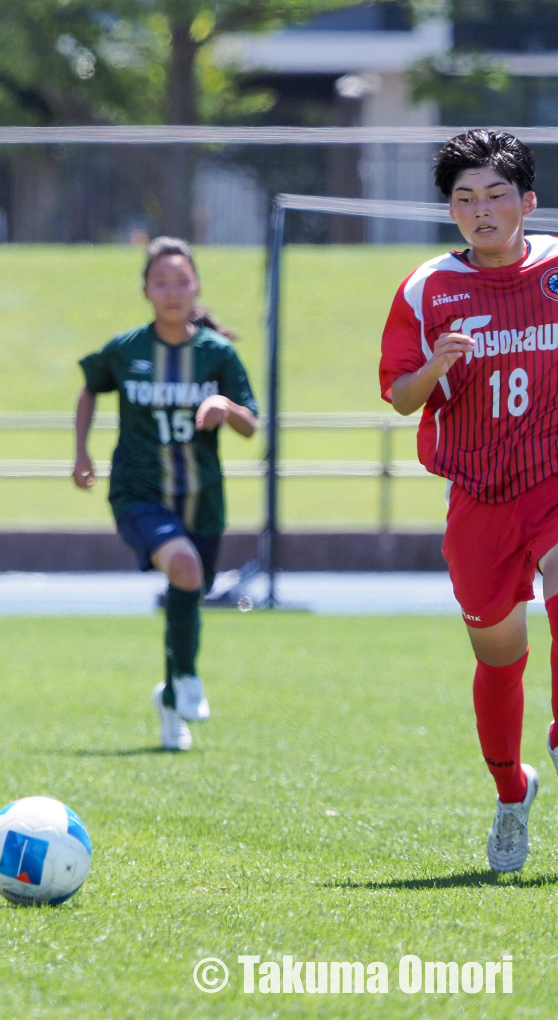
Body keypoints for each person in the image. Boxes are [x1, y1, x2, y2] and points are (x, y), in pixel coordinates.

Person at [379, 128, 558, 873]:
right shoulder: (428, 288)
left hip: (553, 476)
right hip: (479, 494)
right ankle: (511, 791)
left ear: (528, 200)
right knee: (499, 658)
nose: (481, 210)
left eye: (494, 195)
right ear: (450, 210)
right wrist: (434, 366)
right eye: (464, 198)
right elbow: (397, 396)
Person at [73, 237, 259, 751]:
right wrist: (82, 452)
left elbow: (251, 423)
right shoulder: (128, 348)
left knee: (187, 593)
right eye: (161, 282)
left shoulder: (216, 354)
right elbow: (90, 386)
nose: (172, 291)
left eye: (181, 281)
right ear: (145, 290)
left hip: (202, 498)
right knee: (185, 567)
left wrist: (224, 406)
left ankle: (172, 699)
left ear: (196, 286)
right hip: (139, 491)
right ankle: (190, 680)